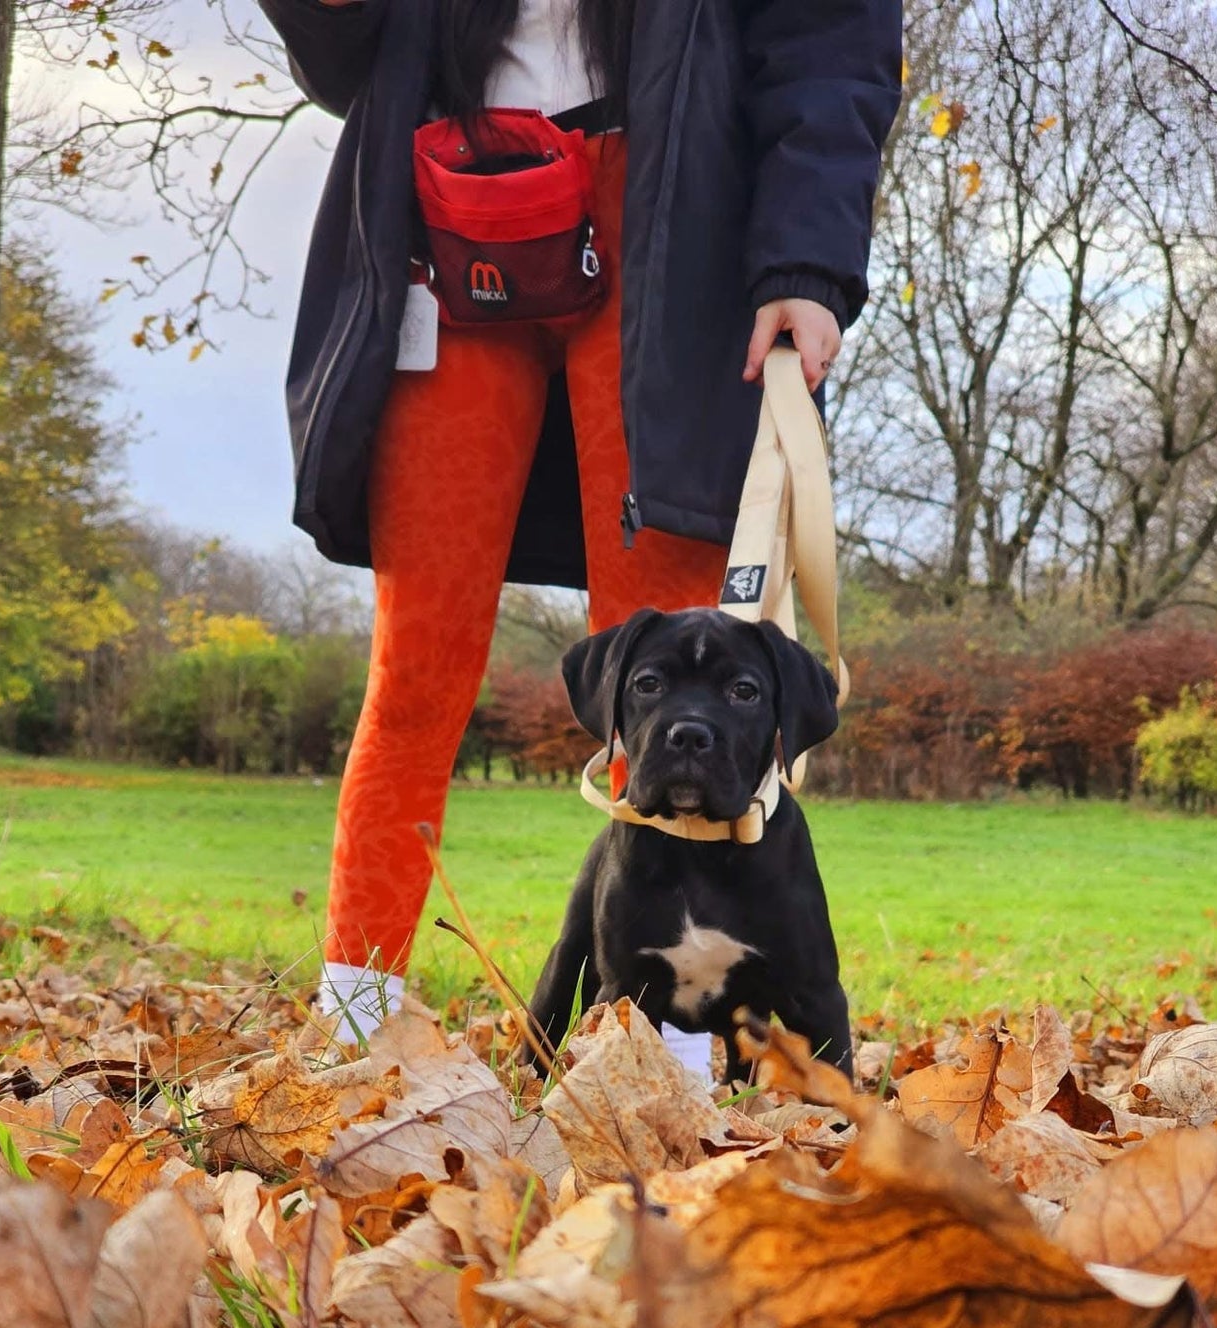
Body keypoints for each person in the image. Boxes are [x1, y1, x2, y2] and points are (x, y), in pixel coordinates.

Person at [257, 0, 902, 1052]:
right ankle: (348, 1042)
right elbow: (346, 69)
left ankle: (679, 1070)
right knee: (415, 674)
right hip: (446, 206)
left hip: (676, 229)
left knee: (681, 675)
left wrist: (807, 265)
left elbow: (830, 44)